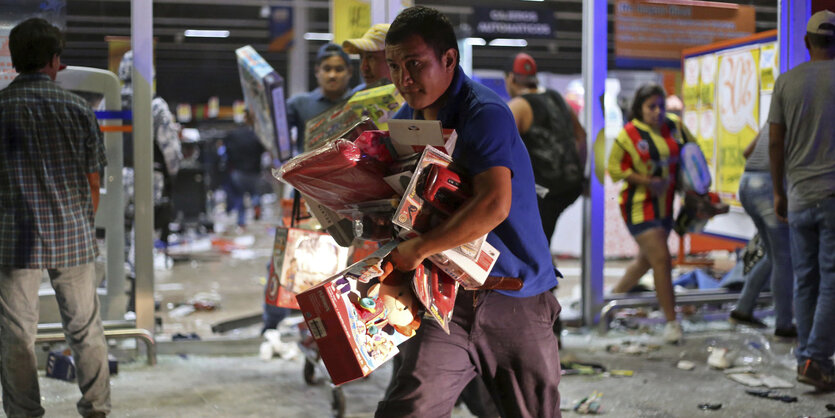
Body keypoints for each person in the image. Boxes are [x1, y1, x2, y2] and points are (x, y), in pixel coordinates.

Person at [377, 7, 561, 417]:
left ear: (449, 60)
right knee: (408, 409)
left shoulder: (484, 113)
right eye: (394, 66)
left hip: (515, 297)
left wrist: (421, 248)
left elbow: (495, 204)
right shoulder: (405, 120)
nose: (404, 79)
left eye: (415, 65)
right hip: (447, 303)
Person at [0, 18, 110, 417]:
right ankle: (96, 407)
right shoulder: (78, 109)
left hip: (14, 241)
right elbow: (93, 180)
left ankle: (24, 413)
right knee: (84, 330)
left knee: (16, 336)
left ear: (14, 60)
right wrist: (79, 221)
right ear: (54, 60)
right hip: (73, 236)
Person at [768, 9, 835, 392]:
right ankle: (817, 359)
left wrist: (779, 190)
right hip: (832, 195)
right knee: (832, 280)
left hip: (798, 196)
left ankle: (806, 359)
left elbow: (775, 142)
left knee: (805, 279)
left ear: (807, 43)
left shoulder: (786, 83)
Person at [607, 84, 685, 344]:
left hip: (666, 206)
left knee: (646, 261)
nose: (657, 112)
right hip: (638, 206)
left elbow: (691, 156)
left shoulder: (674, 126)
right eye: (651, 107)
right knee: (662, 259)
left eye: (660, 106)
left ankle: (609, 302)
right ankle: (672, 322)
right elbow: (615, 168)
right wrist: (648, 181)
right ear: (639, 108)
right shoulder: (628, 134)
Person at [504, 52, 587, 245]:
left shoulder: (518, 106)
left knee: (530, 243)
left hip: (542, 191)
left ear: (511, 78)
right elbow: (581, 137)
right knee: (541, 237)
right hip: (569, 187)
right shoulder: (558, 99)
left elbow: (500, 147)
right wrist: (578, 172)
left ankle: (543, 268)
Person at [730, 126, 795, 337]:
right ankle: (784, 325)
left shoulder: (774, 116)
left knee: (772, 254)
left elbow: (747, 152)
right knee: (784, 257)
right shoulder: (807, 112)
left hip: (747, 183)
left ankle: (743, 309)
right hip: (768, 187)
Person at [286, 42, 353, 154]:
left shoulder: (359, 103)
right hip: (306, 170)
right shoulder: (299, 104)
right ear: (317, 71)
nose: (332, 75)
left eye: (339, 69)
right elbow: (275, 129)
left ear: (349, 72)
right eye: (327, 69)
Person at [222, 110, 267, 229]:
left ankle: (241, 221)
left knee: (239, 196)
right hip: (254, 171)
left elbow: (227, 153)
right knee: (255, 193)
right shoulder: (256, 135)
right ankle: (256, 205)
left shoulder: (233, 135)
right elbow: (262, 150)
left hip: (238, 171)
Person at [343, 23, 392, 92]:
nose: (363, 67)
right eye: (361, 57)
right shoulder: (358, 94)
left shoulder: (409, 99)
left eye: (371, 58)